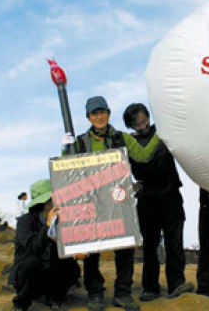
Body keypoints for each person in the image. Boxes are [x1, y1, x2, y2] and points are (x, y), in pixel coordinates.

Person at [68, 96, 161, 311]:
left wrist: (160, 134)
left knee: (125, 248)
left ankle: (123, 293)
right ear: (88, 117)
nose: (99, 117)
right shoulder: (80, 143)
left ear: (109, 113)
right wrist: (66, 149)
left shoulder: (123, 138)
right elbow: (68, 171)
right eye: (94, 113)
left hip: (120, 201)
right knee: (92, 248)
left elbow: (144, 156)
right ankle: (95, 293)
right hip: (91, 203)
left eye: (102, 112)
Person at [122, 102, 194, 301]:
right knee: (150, 245)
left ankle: (177, 283)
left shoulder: (165, 132)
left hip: (171, 195)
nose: (141, 122)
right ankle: (150, 287)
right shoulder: (129, 143)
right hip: (147, 199)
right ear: (130, 124)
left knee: (174, 242)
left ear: (148, 115)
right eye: (135, 120)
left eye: (143, 117)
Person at [8, 179, 80, 311]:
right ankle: (21, 304)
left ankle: (54, 298)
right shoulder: (25, 222)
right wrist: (47, 226)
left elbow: (69, 245)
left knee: (71, 265)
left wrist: (78, 250)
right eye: (52, 199)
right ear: (44, 203)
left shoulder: (61, 220)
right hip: (29, 275)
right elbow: (33, 247)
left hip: (50, 274)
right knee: (31, 263)